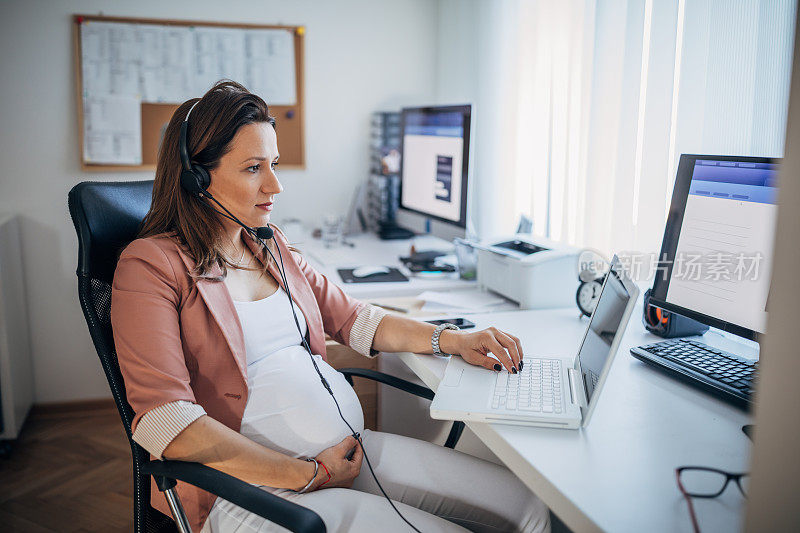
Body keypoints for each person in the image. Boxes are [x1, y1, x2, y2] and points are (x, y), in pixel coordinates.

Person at [111, 80, 550, 533]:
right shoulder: (152, 265)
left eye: (274, 164)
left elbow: (355, 318)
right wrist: (309, 475)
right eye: (253, 168)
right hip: (254, 491)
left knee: (528, 507)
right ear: (196, 177)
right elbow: (168, 424)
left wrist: (452, 340)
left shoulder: (267, 246)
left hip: (348, 455)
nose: (275, 184)